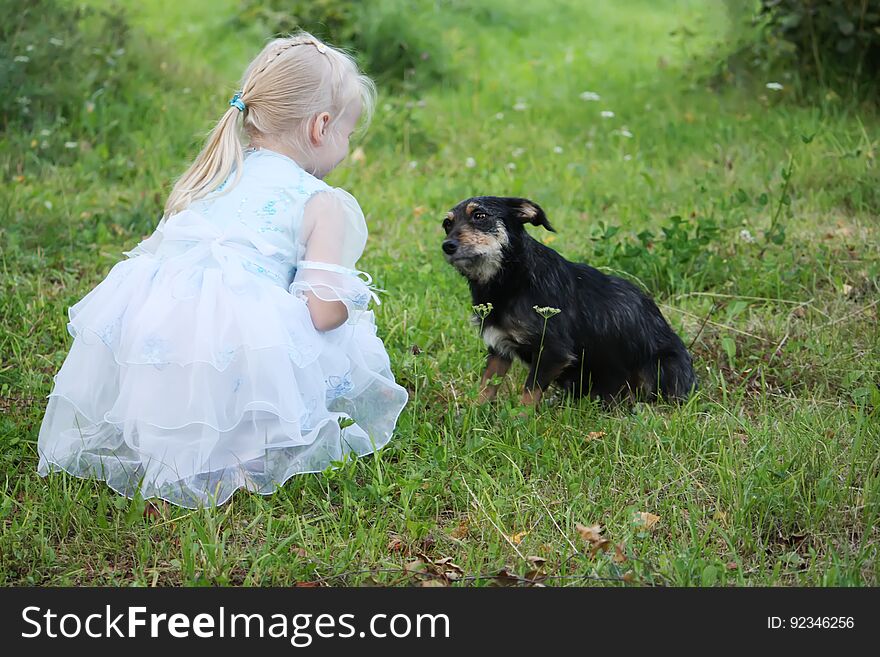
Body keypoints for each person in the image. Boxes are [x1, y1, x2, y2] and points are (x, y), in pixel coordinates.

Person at [37, 33, 409, 508]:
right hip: (231, 342)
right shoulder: (320, 202)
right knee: (316, 333)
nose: (346, 145)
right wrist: (349, 310)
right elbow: (321, 313)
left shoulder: (217, 171)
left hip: (154, 334)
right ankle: (243, 450)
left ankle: (164, 433)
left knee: (225, 330)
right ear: (321, 127)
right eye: (348, 134)